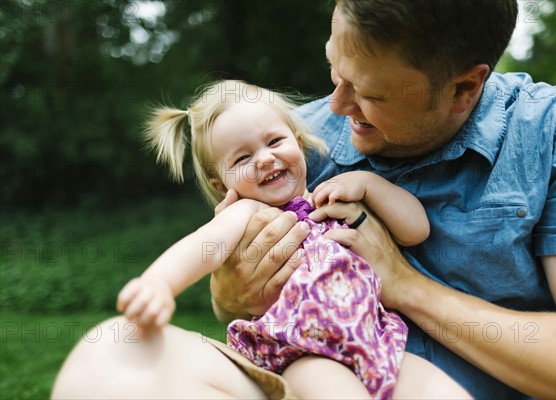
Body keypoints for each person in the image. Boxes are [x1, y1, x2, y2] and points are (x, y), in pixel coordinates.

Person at [52, 0, 556, 398]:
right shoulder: (290, 141)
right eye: (335, 71)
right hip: (309, 359)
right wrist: (229, 290)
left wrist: (408, 287)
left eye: (368, 93)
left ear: (463, 88)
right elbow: (225, 273)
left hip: (412, 367)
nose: (334, 106)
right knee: (111, 355)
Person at [53, 80, 470, 399]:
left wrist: (370, 184)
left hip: (381, 341)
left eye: (274, 141)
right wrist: (159, 284)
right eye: (242, 157)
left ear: (299, 142)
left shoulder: (336, 194)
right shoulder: (248, 216)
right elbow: (204, 245)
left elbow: (416, 229)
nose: (265, 158)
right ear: (222, 182)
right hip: (306, 356)